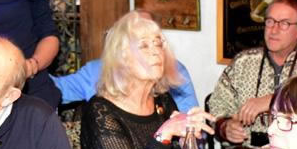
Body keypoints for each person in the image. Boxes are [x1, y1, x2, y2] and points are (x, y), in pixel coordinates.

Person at [80, 11, 213, 149]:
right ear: (121, 58)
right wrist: (165, 133)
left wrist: (187, 139)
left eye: (158, 44)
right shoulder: (100, 111)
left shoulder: (163, 100)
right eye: (143, 45)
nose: (156, 52)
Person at [209, 0, 297, 149]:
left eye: (284, 23)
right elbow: (216, 106)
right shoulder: (243, 61)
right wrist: (225, 127)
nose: (273, 30)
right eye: (270, 21)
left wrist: (273, 100)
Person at [51, 57, 199, 112]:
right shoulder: (97, 71)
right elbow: (55, 88)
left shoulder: (172, 69)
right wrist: (37, 64)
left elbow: (191, 132)